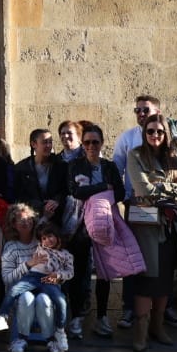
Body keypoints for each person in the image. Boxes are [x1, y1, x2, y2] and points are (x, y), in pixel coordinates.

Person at [125, 115, 177, 350]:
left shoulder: (174, 158)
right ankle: (140, 332)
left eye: (160, 132)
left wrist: (158, 186)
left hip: (170, 227)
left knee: (164, 280)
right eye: (150, 131)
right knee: (147, 278)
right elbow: (142, 188)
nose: (155, 136)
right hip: (147, 228)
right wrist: (171, 187)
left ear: (166, 134)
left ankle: (157, 326)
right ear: (144, 133)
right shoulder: (136, 155)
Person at [66, 123, 126, 339]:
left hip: (106, 223)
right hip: (81, 225)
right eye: (87, 142)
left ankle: (102, 317)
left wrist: (102, 191)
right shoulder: (75, 165)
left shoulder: (109, 167)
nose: (91, 146)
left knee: (104, 272)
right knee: (80, 271)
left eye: (95, 142)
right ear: (82, 144)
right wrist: (102, 188)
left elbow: (119, 192)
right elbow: (76, 191)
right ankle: (78, 316)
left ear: (102, 144)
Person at [0, 206, 72, 352]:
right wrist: (28, 265)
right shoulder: (10, 247)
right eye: (20, 220)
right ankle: (20, 339)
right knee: (26, 298)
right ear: (13, 224)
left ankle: (51, 341)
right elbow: (7, 278)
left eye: (28, 219)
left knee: (44, 299)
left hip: (45, 287)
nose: (25, 223)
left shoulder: (41, 241)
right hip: (22, 290)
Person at [12, 128, 67, 220]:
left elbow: (65, 189)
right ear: (34, 144)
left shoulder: (60, 165)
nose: (48, 145)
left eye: (50, 142)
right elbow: (19, 196)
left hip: (57, 215)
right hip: (31, 216)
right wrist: (41, 206)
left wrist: (56, 201)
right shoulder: (22, 168)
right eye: (45, 142)